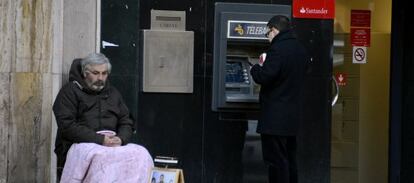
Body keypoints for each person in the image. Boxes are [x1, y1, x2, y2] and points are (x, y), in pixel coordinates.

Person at [53, 53, 153, 182]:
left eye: (104, 73)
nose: (100, 78)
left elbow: (126, 120)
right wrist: (100, 139)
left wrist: (121, 139)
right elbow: (67, 126)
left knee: (141, 153)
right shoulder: (69, 92)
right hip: (81, 144)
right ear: (85, 73)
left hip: (111, 143)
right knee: (100, 158)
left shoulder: (113, 93)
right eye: (96, 73)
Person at [250, 15, 308, 183]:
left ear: (274, 30)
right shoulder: (300, 49)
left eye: (267, 33)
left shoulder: (277, 50)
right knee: (290, 159)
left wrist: (255, 68)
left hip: (275, 119)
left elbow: (265, 76)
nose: (267, 37)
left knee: (276, 161)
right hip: (291, 117)